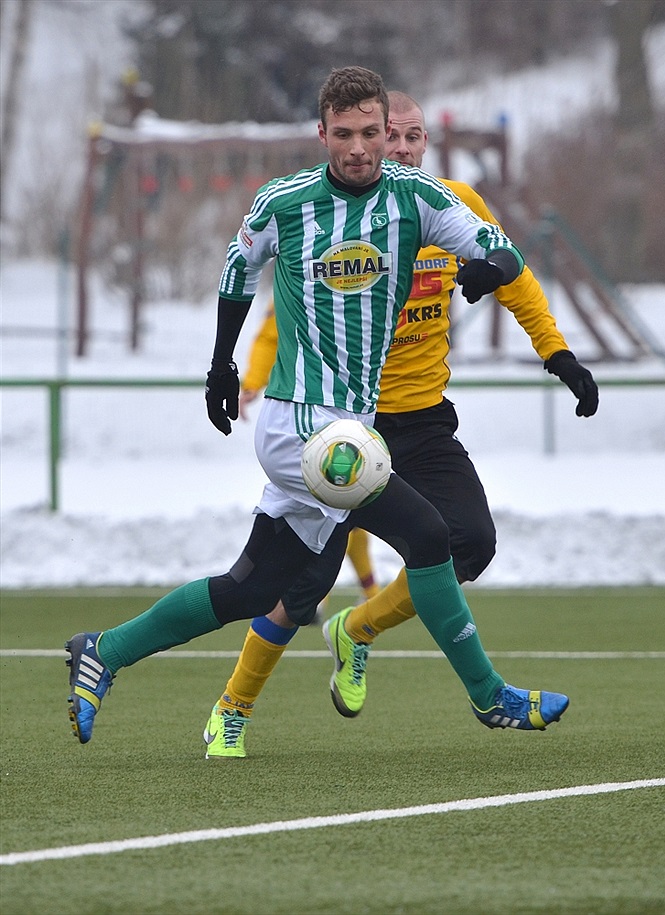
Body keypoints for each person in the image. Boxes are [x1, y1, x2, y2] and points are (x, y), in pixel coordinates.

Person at [65, 67, 572, 751]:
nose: (361, 147)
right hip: (298, 423)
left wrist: (491, 266)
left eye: (372, 132)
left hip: (350, 429)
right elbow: (237, 268)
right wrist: (222, 364)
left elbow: (496, 246)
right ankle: (490, 699)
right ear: (322, 132)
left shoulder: (416, 197)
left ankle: (104, 648)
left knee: (252, 588)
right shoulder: (286, 201)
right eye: (346, 133)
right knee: (428, 535)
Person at [201, 91, 598, 758]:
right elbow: (283, 314)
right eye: (396, 136)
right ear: (371, 140)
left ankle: (358, 628)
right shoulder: (344, 214)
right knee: (300, 585)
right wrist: (247, 377)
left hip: (420, 424)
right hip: (340, 427)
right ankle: (232, 707)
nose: (406, 147)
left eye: (416, 136)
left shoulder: (446, 203)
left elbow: (516, 278)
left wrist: (555, 351)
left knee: (469, 541)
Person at [239, 302, 379, 607]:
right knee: (340, 501)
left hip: (370, 411)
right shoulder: (302, 274)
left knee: (351, 505)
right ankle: (320, 594)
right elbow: (269, 337)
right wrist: (252, 382)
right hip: (310, 417)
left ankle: (333, 594)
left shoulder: (383, 273)